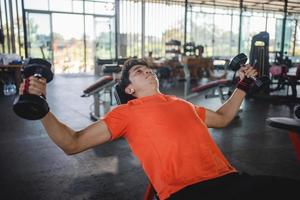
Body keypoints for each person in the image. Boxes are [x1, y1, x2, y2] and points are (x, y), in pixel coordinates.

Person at [21, 58, 300, 200]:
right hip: (188, 192)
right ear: (129, 89)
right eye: (138, 71)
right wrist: (42, 107)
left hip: (231, 180)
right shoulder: (126, 113)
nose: (148, 71)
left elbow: (225, 117)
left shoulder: (182, 104)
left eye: (148, 68)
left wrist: (243, 85)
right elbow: (72, 143)